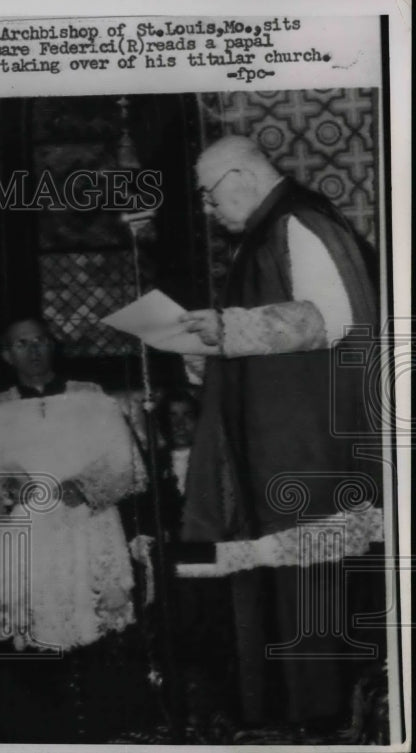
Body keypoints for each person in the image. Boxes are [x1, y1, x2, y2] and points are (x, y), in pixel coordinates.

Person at [176, 135, 380, 732]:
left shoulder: (300, 223)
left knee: (314, 585)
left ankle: (328, 719)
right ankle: (296, 713)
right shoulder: (269, 232)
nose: (211, 212)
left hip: (310, 447)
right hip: (284, 444)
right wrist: (212, 345)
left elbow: (333, 316)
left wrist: (229, 328)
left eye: (211, 198)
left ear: (239, 176)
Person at [0, 316, 154, 742]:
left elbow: (127, 463)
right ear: (7, 355)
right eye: (21, 343)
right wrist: (5, 486)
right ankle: (46, 733)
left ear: (53, 345)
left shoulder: (94, 401)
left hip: (89, 525)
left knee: (97, 630)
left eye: (40, 340)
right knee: (36, 634)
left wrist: (85, 485)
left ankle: (110, 727)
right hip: (28, 534)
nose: (33, 350)